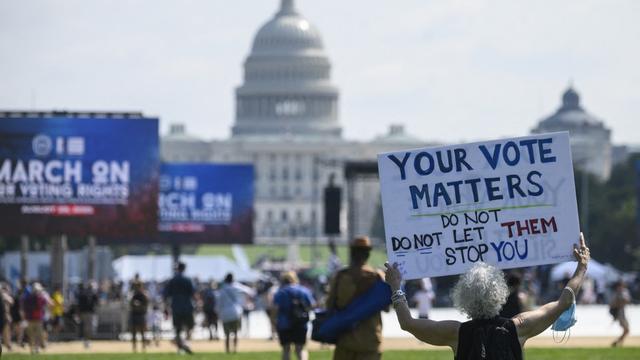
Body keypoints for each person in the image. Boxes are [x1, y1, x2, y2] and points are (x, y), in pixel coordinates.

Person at [385, 233, 590, 359]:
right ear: (500, 293)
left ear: (463, 296)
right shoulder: (518, 327)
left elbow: (407, 323)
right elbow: (564, 301)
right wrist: (581, 267)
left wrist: (396, 286)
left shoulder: (456, 333)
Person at [326, 236, 386, 360]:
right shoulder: (378, 277)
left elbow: (329, 305)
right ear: (368, 254)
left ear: (352, 253)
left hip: (345, 339)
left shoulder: (340, 277)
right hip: (370, 340)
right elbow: (386, 307)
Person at [273, 271, 315, 360]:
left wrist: (273, 321)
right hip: (301, 323)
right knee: (300, 349)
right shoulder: (304, 291)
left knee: (286, 349)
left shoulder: (280, 292)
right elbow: (312, 305)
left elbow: (275, 309)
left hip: (284, 323)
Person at [215, 273, 255, 354]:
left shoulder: (222, 289)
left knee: (227, 334)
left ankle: (227, 350)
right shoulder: (237, 286)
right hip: (236, 312)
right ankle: (235, 350)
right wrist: (246, 301)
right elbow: (250, 292)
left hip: (225, 313)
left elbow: (218, 303)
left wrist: (217, 312)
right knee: (236, 332)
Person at [163, 261, 195, 354]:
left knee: (177, 329)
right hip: (187, 306)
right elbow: (193, 293)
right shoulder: (188, 280)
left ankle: (180, 347)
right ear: (184, 269)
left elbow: (166, 295)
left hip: (176, 307)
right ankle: (185, 344)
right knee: (190, 327)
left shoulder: (172, 280)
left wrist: (165, 308)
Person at [22, 282, 52, 354]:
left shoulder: (28, 298)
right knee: (37, 335)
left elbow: (24, 308)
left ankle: (33, 349)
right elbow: (50, 304)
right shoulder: (40, 297)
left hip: (31, 319)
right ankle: (36, 348)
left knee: (32, 335)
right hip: (37, 319)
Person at [76, 282, 99, 349]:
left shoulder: (83, 293)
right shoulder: (91, 293)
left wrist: (78, 312)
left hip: (84, 312)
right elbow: (97, 302)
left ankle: (86, 340)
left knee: (86, 326)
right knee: (88, 327)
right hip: (89, 313)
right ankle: (87, 340)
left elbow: (79, 304)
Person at [609, 280, 631, 347]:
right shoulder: (616, 294)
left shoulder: (624, 292)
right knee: (626, 330)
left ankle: (618, 342)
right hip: (620, 314)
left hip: (622, 313)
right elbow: (612, 305)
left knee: (626, 330)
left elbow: (627, 300)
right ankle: (618, 343)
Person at [129, 281, 149, 352]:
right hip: (134, 315)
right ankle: (134, 348)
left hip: (141, 315)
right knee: (134, 332)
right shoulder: (133, 295)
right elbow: (130, 304)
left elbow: (146, 306)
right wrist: (134, 304)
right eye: (136, 286)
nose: (137, 288)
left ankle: (143, 347)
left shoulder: (144, 295)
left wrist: (139, 305)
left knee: (142, 332)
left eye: (138, 286)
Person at [0, 283, 13, 353]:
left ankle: (9, 346)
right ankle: (8, 346)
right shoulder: (3, 295)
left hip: (3, 318)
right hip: (3, 318)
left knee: (6, 333)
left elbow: (11, 301)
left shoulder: (3, 295)